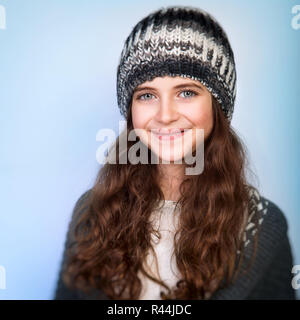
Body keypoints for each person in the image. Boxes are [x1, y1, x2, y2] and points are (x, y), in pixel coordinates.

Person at [53, 5, 296, 300]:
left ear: (217, 106)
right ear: (131, 111)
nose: (165, 115)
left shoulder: (262, 226)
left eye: (187, 92)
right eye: (146, 95)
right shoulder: (92, 211)